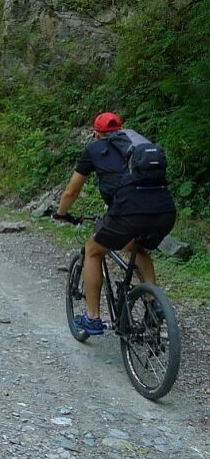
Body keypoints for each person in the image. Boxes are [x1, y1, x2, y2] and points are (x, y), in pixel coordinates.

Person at [53, 112, 176, 334]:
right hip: (164, 211)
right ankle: (154, 303)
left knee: (92, 250)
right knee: (135, 246)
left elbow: (72, 191)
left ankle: (93, 319)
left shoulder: (94, 149)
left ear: (96, 133)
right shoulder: (139, 147)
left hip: (127, 212)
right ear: (121, 129)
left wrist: (61, 213)